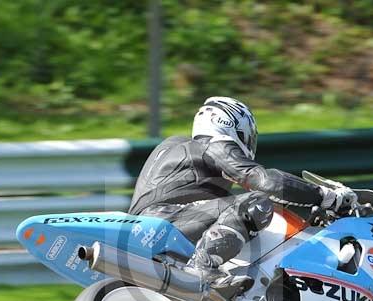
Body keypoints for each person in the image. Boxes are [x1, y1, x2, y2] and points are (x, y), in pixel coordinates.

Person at [128, 96, 355, 290]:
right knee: (255, 203)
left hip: (156, 228)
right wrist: (325, 196)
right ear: (232, 125)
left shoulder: (178, 150)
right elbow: (265, 182)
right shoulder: (210, 144)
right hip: (167, 221)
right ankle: (203, 265)